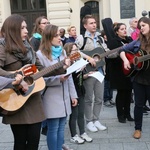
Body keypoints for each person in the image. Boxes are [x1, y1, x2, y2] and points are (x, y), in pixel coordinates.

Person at [0, 14, 69, 150]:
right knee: (20, 143)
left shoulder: (28, 47)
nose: (26, 31)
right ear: (13, 30)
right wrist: (15, 78)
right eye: (22, 28)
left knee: (34, 142)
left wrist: (61, 67)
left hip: (33, 100)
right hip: (15, 99)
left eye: (26, 27)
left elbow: (41, 69)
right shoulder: (2, 47)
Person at [36, 24, 78, 150]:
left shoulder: (62, 51)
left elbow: (68, 74)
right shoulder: (40, 55)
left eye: (59, 35)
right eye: (56, 36)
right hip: (50, 97)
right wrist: (57, 79)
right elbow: (40, 79)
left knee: (61, 127)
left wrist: (73, 95)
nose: (60, 38)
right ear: (48, 38)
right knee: (53, 128)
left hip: (64, 96)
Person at [119, 16, 150, 139]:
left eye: (143, 25)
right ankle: (138, 129)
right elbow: (122, 50)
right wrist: (126, 60)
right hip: (139, 79)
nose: (141, 28)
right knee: (138, 105)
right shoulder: (137, 41)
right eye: (140, 26)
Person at [76, 15, 107, 132]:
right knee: (88, 99)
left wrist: (115, 51)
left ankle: (96, 120)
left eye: (95, 22)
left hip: (100, 72)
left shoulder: (100, 38)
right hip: (88, 73)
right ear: (85, 26)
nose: (94, 25)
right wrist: (89, 58)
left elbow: (106, 51)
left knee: (99, 98)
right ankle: (88, 121)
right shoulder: (81, 39)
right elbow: (75, 52)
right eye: (91, 23)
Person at [102, 18, 134, 123]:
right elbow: (112, 56)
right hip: (118, 71)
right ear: (116, 32)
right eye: (122, 29)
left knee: (129, 93)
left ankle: (128, 114)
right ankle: (120, 115)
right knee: (121, 93)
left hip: (130, 70)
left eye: (125, 28)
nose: (125, 30)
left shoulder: (129, 40)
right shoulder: (114, 41)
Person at [64, 42, 93, 144]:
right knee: (74, 114)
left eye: (77, 50)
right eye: (74, 50)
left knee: (81, 113)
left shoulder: (78, 61)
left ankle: (82, 132)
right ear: (68, 52)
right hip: (73, 92)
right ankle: (73, 135)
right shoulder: (67, 64)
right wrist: (76, 70)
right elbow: (69, 79)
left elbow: (81, 78)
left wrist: (87, 74)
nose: (76, 52)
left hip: (81, 90)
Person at [100, 30, 114, 107]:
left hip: (110, 65)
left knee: (110, 83)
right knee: (106, 83)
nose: (106, 36)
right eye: (104, 35)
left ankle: (110, 98)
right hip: (106, 64)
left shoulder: (110, 42)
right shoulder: (102, 43)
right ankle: (106, 99)